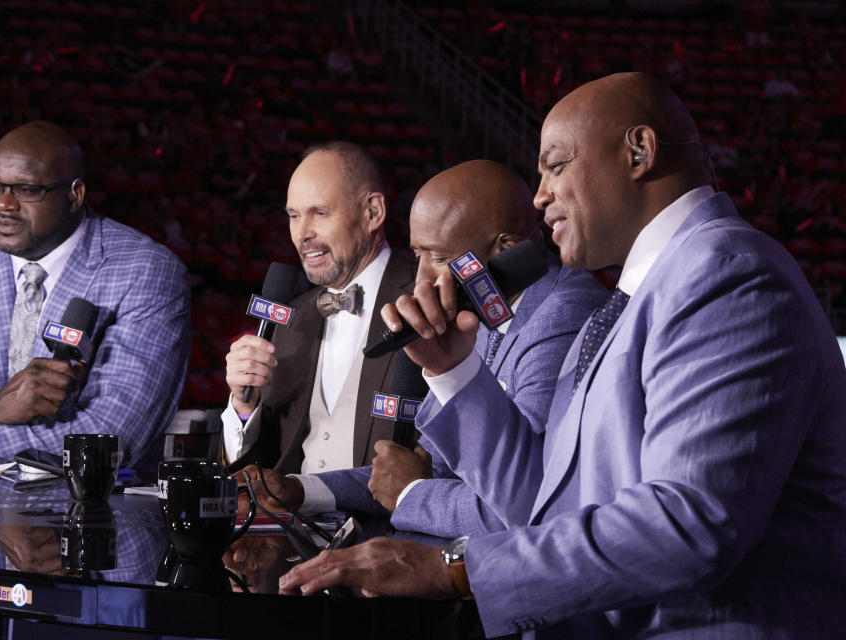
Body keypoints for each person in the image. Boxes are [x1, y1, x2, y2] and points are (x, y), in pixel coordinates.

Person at [279, 73, 846, 638]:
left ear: (639, 152)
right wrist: (455, 370)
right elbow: (543, 505)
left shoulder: (726, 274)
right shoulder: (640, 292)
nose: (539, 196)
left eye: (556, 165)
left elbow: (687, 528)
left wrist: (455, 568)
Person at [237, 159, 606, 539]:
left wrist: (413, 494)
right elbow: (420, 468)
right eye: (418, 256)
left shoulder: (563, 314)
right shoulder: (478, 303)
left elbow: (530, 502)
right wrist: (300, 490)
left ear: (506, 252)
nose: (422, 280)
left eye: (440, 258)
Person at [0, 121, 190, 471]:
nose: (4, 204)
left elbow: (114, 437)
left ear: (75, 194)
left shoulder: (145, 270)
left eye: (26, 190)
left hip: (83, 512)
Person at [222, 141, 414, 474]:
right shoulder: (289, 321)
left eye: (320, 213)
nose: (302, 234)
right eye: (294, 216)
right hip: (293, 524)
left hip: (387, 523)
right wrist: (243, 407)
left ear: (373, 212)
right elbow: (260, 465)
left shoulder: (425, 299)